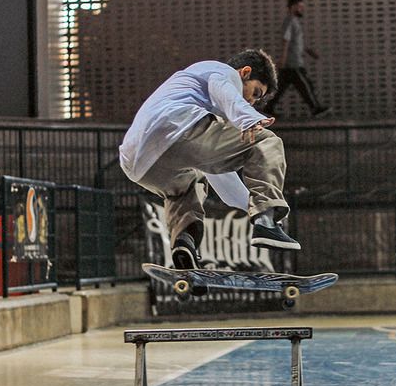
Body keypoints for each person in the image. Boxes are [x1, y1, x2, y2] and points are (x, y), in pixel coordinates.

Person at [119, 49, 301, 270]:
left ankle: (184, 246)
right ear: (245, 72)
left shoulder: (192, 95)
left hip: (137, 161)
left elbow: (219, 172)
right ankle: (266, 219)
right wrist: (248, 118)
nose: (251, 102)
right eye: (255, 93)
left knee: (189, 187)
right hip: (175, 127)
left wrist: (251, 205)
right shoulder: (220, 71)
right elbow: (222, 88)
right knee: (266, 141)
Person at [264, 0, 330, 118]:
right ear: (293, 7)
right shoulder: (290, 21)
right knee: (305, 85)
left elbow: (296, 42)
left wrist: (308, 50)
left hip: (292, 62)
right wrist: (283, 58)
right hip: (293, 63)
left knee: (281, 88)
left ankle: (268, 107)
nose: (301, 9)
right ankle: (315, 108)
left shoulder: (294, 22)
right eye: (300, 7)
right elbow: (286, 39)